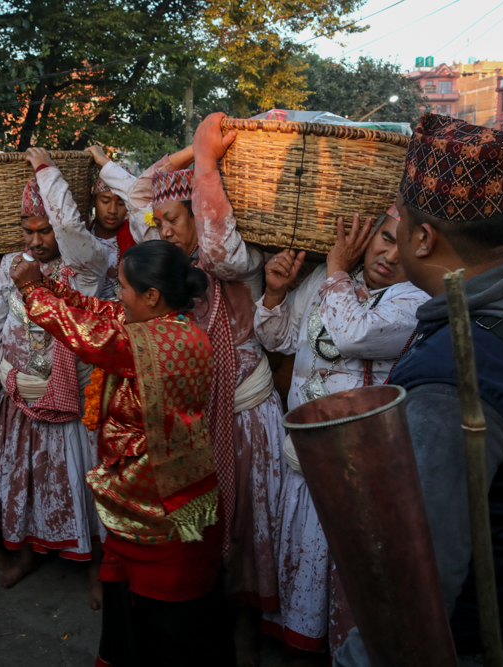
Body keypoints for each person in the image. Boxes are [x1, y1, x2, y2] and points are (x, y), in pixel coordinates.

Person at [335, 115, 503, 667]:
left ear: (422, 237)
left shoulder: (451, 373)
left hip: (478, 644)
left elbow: (417, 583)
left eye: (400, 223)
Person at [103, 116, 291, 660]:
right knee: (207, 524)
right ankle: (210, 616)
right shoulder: (164, 262)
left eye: (174, 220)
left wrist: (207, 165)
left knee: (249, 520)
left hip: (244, 415)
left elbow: (217, 241)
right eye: (158, 221)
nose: (163, 230)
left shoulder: (237, 261)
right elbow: (141, 190)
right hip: (193, 425)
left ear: (203, 216)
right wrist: (190, 154)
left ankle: (249, 625)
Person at [10, 239, 233, 665]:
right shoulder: (164, 326)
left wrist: (32, 293)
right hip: (142, 500)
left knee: (167, 627)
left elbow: (92, 338)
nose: (119, 298)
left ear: (151, 296)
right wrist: (50, 286)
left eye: (125, 289)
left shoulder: (166, 344)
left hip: (160, 508)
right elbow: (101, 313)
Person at [254, 200, 427, 653]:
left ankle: (323, 648)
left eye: (404, 247)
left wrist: (334, 267)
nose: (390, 256)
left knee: (334, 566)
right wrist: (274, 294)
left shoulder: (416, 301)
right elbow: (280, 339)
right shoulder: (331, 279)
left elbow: (353, 334)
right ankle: (292, 638)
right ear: (368, 235)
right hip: (300, 454)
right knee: (295, 551)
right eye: (386, 238)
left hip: (354, 469)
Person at [0, 147, 107, 593]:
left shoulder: (84, 267)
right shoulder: (13, 266)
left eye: (43, 230)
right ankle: (26, 552)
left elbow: (70, 226)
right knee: (24, 479)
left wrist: (46, 170)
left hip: (72, 401)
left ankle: (95, 565)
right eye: (27, 231)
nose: (34, 241)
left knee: (84, 482)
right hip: (19, 395)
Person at [83, 145, 136, 300]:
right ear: (93, 201)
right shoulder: (81, 236)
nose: (112, 210)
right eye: (105, 201)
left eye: (120, 204)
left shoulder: (136, 236)